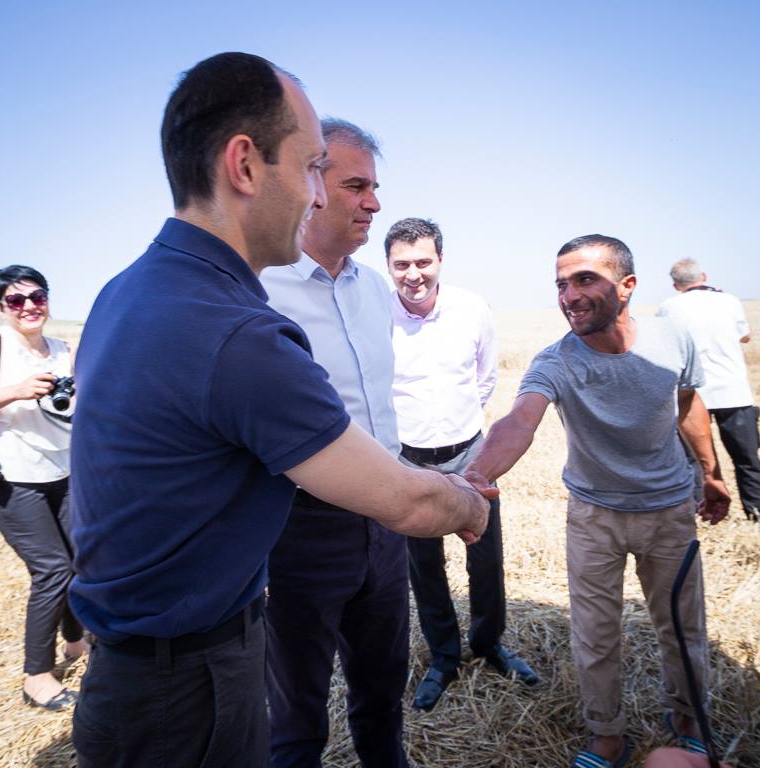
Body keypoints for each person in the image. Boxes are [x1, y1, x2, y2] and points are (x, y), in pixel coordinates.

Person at [68, 52, 491, 768]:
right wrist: (468, 503)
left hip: (145, 669)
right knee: (296, 720)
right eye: (312, 167)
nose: (317, 194)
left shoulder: (129, 290)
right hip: (187, 687)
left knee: (375, 688)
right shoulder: (235, 329)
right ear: (243, 165)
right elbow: (407, 501)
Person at [463, 235, 730, 768]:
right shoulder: (556, 361)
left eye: (585, 279)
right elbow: (519, 422)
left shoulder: (672, 339)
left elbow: (687, 403)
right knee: (595, 634)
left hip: (669, 511)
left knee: (682, 628)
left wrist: (711, 473)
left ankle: (687, 722)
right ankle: (607, 736)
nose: (569, 296)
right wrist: (473, 477)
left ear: (627, 286)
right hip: (594, 518)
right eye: (561, 284)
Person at [260, 119, 410, 767]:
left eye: (374, 187)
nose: (373, 203)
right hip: (301, 528)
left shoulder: (374, 288)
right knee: (296, 705)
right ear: (310, 185)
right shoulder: (258, 290)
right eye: (356, 186)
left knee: (383, 681)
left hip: (385, 519)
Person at [384, 217, 538, 713]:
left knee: (486, 557)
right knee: (424, 565)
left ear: (440, 261)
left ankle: (489, 644)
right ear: (388, 265)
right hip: (408, 459)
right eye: (401, 264)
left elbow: (484, 378)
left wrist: (456, 426)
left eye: (423, 262)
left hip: (469, 453)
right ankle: (444, 657)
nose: (413, 274)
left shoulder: (472, 308)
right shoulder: (376, 314)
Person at [0, 265, 88, 710]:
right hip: (14, 478)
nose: (28, 306)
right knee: (52, 571)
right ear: (2, 306)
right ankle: (37, 677)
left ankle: (76, 642)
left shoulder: (64, 349)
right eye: (15, 299)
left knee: (80, 561)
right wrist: (18, 390)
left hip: (65, 473)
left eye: (37, 296)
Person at [658, 259, 760, 528]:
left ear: (675, 285)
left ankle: (701, 514)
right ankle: (758, 515)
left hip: (691, 395)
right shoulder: (729, 300)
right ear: (703, 276)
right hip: (733, 392)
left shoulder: (669, 306)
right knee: (747, 459)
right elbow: (745, 336)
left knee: (692, 460)